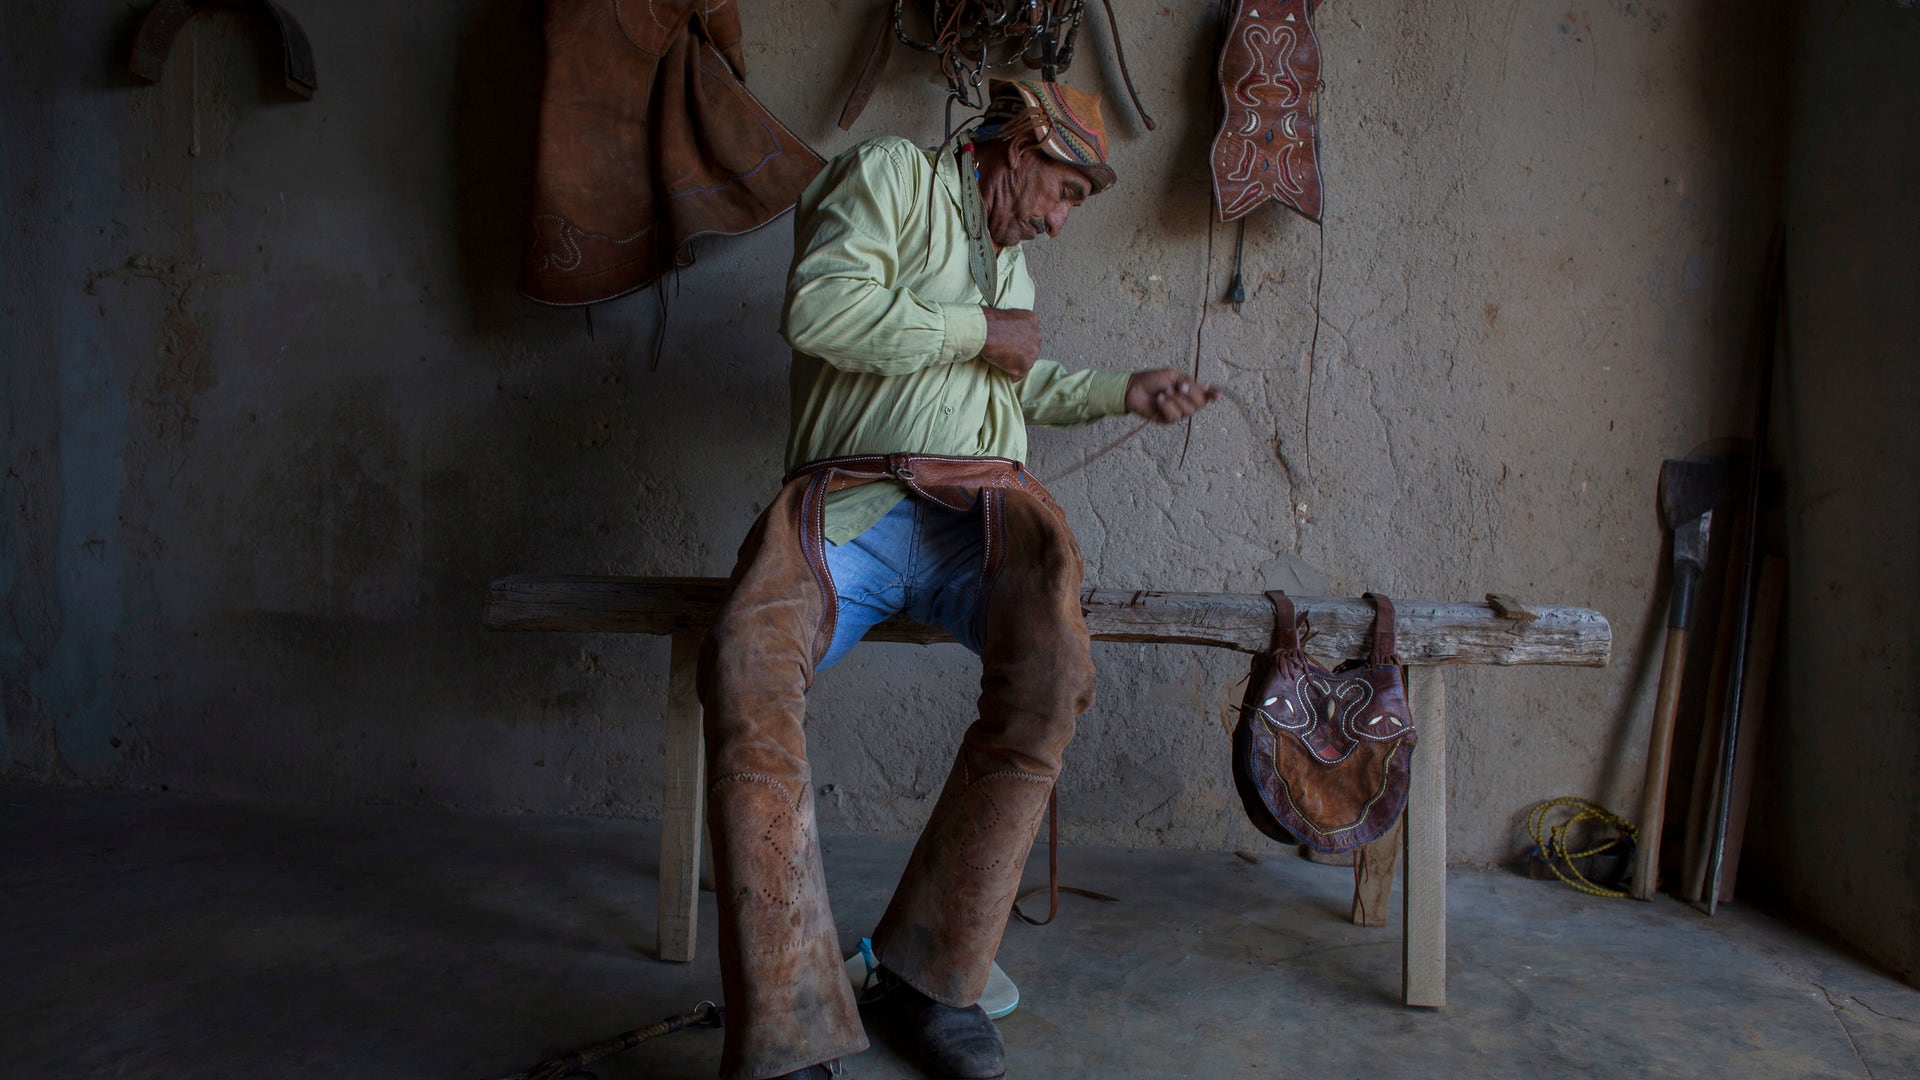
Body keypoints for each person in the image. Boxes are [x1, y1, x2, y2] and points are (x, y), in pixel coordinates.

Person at [696, 79, 1219, 1080]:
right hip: (852, 505)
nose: (1059, 222)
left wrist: (1122, 391)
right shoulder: (888, 176)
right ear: (1018, 149)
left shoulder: (1005, 260)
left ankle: (932, 976)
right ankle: (789, 1024)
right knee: (745, 668)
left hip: (972, 525)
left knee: (1054, 674)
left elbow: (1008, 376)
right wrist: (980, 330)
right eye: (1064, 193)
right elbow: (820, 310)